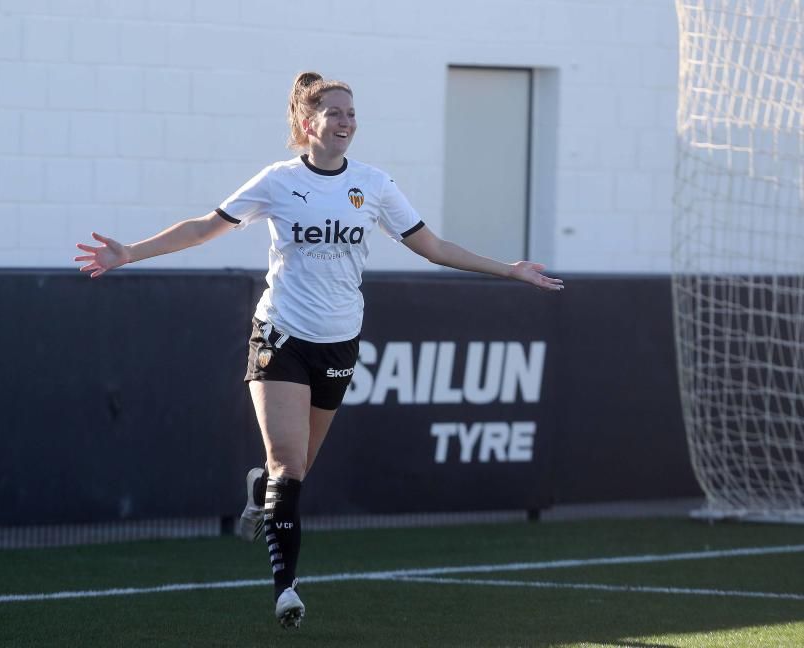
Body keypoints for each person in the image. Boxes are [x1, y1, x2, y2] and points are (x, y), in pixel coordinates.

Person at [74, 71, 564, 629]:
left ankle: (264, 490)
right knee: (289, 461)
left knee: (296, 470)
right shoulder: (279, 182)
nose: (346, 122)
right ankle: (286, 589)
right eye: (335, 113)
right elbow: (204, 228)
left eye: (351, 113)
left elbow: (433, 247)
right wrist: (129, 253)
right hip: (279, 335)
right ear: (308, 123)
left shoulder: (374, 185)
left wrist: (510, 270)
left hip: (339, 341)